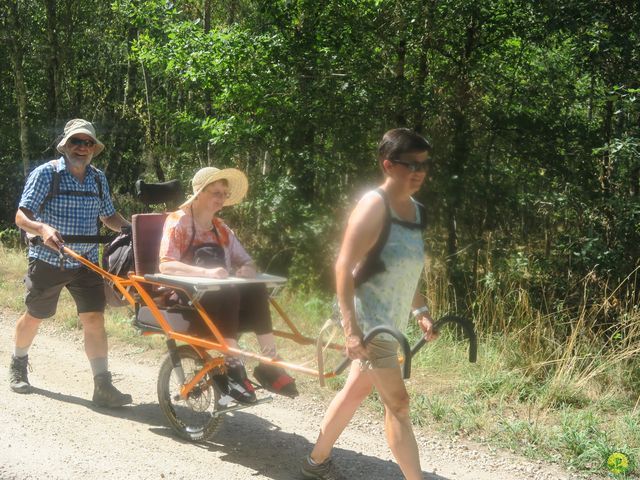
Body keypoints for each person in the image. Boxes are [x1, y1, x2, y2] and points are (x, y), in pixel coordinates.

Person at [301, 128, 439, 480]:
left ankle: (316, 462)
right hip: (367, 320)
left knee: (356, 390)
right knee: (399, 404)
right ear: (388, 165)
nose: (419, 172)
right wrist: (350, 330)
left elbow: (405, 272)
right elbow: (343, 266)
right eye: (411, 164)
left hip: (391, 319)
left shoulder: (417, 212)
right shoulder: (373, 205)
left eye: (423, 164)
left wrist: (419, 311)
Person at [10, 118, 133, 408]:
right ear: (66, 146)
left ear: (94, 148)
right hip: (48, 260)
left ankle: (102, 385)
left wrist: (134, 230)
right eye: (77, 142)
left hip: (86, 262)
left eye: (88, 142)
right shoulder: (46, 174)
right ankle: (18, 364)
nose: (82, 147)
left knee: (94, 319)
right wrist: (41, 229)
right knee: (35, 315)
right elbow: (21, 217)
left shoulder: (97, 178)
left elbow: (109, 217)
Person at [158, 166, 297, 404]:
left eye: (224, 193)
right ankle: (233, 366)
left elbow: (247, 261)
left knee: (255, 288)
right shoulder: (178, 222)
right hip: (186, 298)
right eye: (215, 192)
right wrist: (206, 272)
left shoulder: (221, 228)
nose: (221, 198)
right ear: (199, 193)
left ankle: (269, 362)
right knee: (230, 290)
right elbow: (166, 265)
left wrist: (247, 270)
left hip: (219, 301)